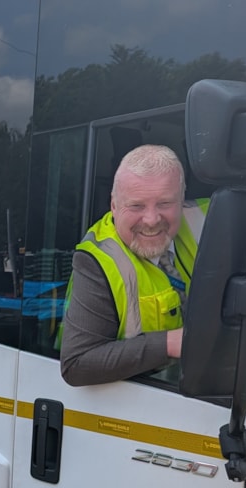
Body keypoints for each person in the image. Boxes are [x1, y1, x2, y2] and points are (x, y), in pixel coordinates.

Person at [60, 144, 207, 386]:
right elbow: (76, 364)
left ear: (182, 200)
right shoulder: (97, 259)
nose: (151, 220)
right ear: (114, 206)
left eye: (164, 204)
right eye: (137, 206)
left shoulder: (211, 219)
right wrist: (171, 343)